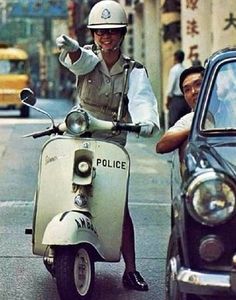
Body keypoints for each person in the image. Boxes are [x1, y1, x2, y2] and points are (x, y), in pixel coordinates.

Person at [56, 0, 160, 292]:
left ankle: (131, 269)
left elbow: (142, 99)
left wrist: (146, 120)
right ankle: (55, 243)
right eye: (100, 32)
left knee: (119, 205)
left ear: (122, 34)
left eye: (112, 31)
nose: (106, 37)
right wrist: (73, 48)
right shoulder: (88, 57)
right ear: (93, 34)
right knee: (61, 186)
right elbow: (78, 61)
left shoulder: (133, 70)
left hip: (113, 140)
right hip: (80, 135)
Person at [156, 66, 205, 155]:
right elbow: (161, 146)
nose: (193, 91)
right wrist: (195, 129)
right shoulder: (190, 119)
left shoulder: (230, 107)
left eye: (198, 84)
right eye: (187, 90)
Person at [166, 49, 191, 128]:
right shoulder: (185, 69)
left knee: (174, 125)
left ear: (175, 58)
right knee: (185, 125)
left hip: (176, 101)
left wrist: (168, 101)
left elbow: (170, 88)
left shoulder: (174, 70)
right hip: (185, 100)